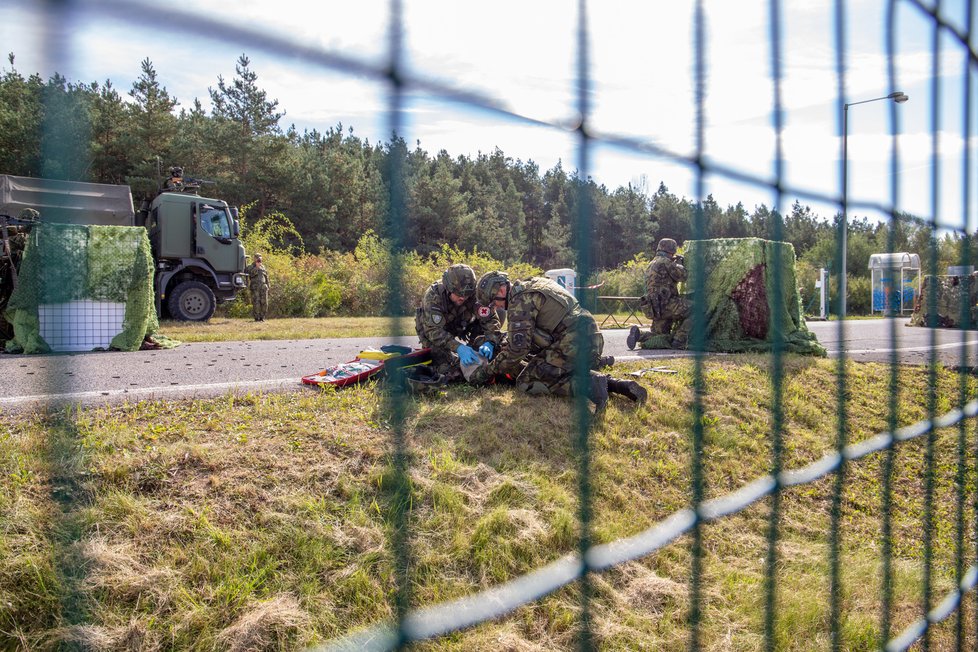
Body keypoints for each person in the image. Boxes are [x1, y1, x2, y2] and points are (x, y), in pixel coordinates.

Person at [470, 271, 646, 408]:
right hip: (590, 339)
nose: (497, 307)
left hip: (573, 343)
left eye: (494, 303)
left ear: (501, 290)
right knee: (544, 367)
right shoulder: (534, 283)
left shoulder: (520, 301)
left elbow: (518, 350)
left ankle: (590, 386)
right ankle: (617, 385)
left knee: (527, 382)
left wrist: (486, 372)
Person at [415, 264, 502, 382]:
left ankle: (476, 353)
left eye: (467, 294)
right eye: (459, 294)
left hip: (462, 325)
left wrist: (490, 341)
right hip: (435, 334)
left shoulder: (473, 292)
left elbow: (490, 318)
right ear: (448, 288)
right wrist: (458, 347)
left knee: (491, 346)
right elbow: (433, 331)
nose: (463, 298)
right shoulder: (433, 296)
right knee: (446, 368)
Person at [628, 237, 692, 350]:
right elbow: (683, 276)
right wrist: (680, 263)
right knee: (698, 309)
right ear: (671, 250)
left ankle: (639, 335)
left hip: (654, 308)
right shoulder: (666, 262)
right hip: (668, 305)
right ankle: (680, 339)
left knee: (661, 337)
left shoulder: (651, 263)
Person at [245, 253, 270, 321]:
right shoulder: (250, 267)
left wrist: (268, 285)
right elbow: (250, 275)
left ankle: (262, 317)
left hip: (263, 287)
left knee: (264, 302)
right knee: (256, 303)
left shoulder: (263, 267)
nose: (259, 259)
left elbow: (266, 276)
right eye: (257, 258)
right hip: (255, 287)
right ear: (255, 259)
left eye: (260, 258)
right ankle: (256, 318)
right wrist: (256, 267)